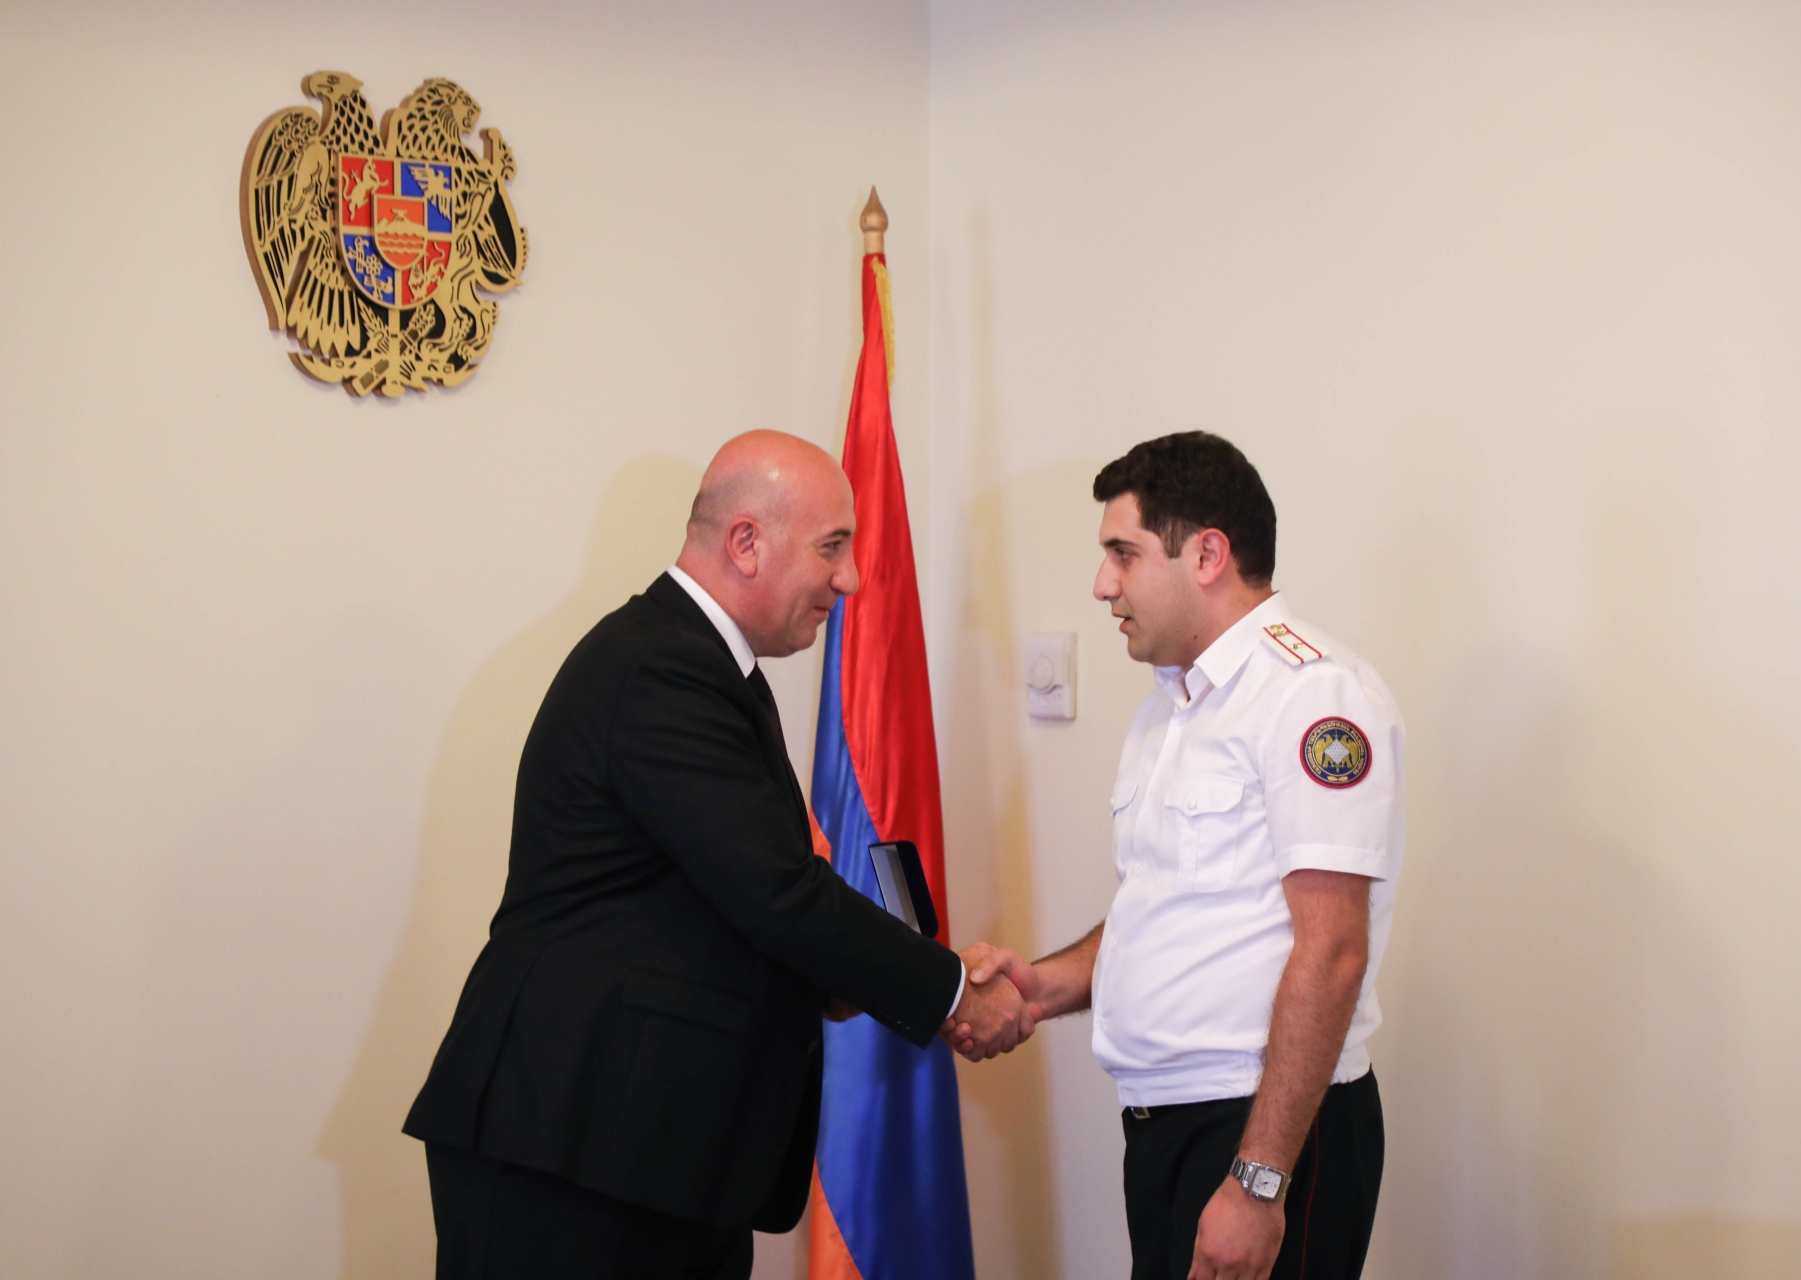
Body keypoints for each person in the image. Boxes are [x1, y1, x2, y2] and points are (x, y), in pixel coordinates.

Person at [404, 430, 1033, 1280]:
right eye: (832, 547)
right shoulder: (662, 667)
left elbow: (715, 900)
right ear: (745, 542)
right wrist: (954, 990)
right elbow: (778, 893)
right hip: (570, 1143)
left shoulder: (704, 665)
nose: (851, 578)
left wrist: (837, 981)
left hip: (651, 1150)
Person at [952, 432, 1404, 1280]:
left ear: (1207, 554)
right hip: (1170, 1127)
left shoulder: (1312, 697)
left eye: (1122, 554)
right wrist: (1038, 987)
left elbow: (1335, 951)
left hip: (1265, 1134)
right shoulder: (1173, 705)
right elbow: (1168, 912)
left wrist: (1259, 1184)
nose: (1102, 584)